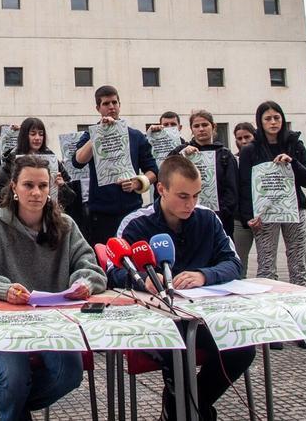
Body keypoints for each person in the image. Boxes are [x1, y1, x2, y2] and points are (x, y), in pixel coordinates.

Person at [112, 155, 254, 421]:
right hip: (155, 323)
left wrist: (204, 275)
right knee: (177, 349)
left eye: (196, 195)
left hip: (205, 318)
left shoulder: (208, 219)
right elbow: (114, 272)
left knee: (244, 346)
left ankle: (186, 407)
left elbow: (234, 264)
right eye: (183, 196)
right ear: (161, 189)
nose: (191, 204)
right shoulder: (134, 224)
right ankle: (194, 412)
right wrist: (145, 281)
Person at [0, 155, 106, 421]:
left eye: (43, 186)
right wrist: (4, 289)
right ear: (14, 188)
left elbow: (92, 268)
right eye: (28, 185)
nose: (36, 192)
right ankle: (9, 405)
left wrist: (83, 282)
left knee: (69, 375)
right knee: (15, 379)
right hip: (6, 323)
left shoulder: (65, 225)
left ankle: (0, 404)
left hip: (53, 322)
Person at [237, 101, 306, 286]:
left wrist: (293, 163)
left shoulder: (295, 145)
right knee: (266, 263)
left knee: (298, 261)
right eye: (268, 119)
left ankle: (300, 298)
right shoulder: (250, 150)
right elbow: (245, 185)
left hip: (293, 210)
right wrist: (249, 216)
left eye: (276, 118)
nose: (273, 122)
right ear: (260, 122)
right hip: (265, 212)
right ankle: (268, 303)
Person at [72, 85, 159, 246]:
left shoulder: (136, 136)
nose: (111, 107)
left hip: (131, 208)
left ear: (120, 104)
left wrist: (137, 183)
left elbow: (153, 171)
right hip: (101, 213)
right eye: (106, 104)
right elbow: (77, 161)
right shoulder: (90, 134)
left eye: (114, 102)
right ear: (98, 108)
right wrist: (99, 133)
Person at [0, 117, 85, 228]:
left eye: (41, 134)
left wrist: (62, 186)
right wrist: (15, 186)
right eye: (33, 134)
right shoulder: (11, 159)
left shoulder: (52, 160)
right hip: (16, 220)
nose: (37, 138)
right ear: (24, 136)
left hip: (48, 220)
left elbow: (71, 197)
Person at [168, 110, 238, 237]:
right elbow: (166, 171)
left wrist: (219, 213)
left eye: (205, 125)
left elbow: (232, 190)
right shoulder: (181, 151)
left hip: (220, 220)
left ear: (213, 126)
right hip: (187, 218)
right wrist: (181, 154)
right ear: (191, 129)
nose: (201, 129)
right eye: (196, 126)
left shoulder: (225, 155)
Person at [230, 121, 257, 276]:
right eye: (240, 138)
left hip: (263, 216)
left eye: (247, 137)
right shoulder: (233, 159)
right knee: (240, 259)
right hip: (240, 218)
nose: (244, 141)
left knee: (267, 259)